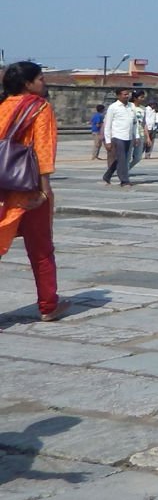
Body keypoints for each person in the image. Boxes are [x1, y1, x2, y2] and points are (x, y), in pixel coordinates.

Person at [0, 62, 67, 321]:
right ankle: (49, 305)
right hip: (27, 190)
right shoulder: (39, 108)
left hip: (2, 190)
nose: (44, 83)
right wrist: (44, 190)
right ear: (28, 84)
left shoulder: (3, 106)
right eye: (40, 78)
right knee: (41, 250)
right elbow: (43, 150)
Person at [101, 87, 136, 187]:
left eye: (128, 94)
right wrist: (108, 141)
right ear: (118, 96)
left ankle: (107, 175)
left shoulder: (131, 106)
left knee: (122, 158)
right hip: (117, 136)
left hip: (128, 136)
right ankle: (124, 180)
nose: (127, 96)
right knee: (122, 159)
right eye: (124, 94)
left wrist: (136, 136)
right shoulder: (113, 107)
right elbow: (108, 125)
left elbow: (134, 122)